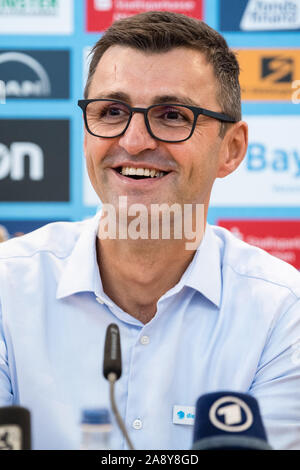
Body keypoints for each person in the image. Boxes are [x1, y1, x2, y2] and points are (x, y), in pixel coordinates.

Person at [0, 11, 299, 451]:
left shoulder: (284, 315)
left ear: (231, 149)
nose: (135, 140)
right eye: (112, 111)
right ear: (86, 134)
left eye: (173, 115)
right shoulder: (7, 288)